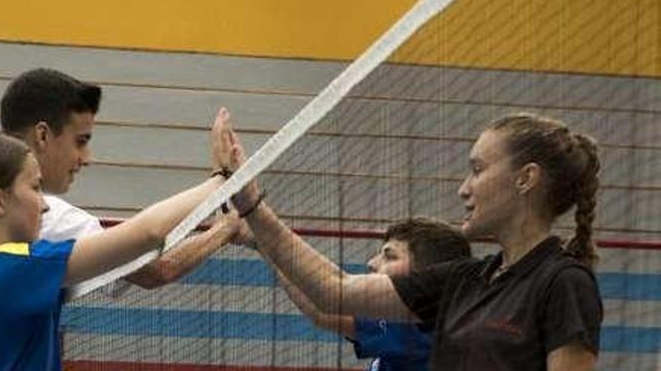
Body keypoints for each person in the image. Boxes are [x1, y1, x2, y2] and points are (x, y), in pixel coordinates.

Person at [0, 69, 242, 364]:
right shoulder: (12, 267)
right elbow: (148, 235)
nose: (42, 204)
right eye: (35, 189)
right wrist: (221, 183)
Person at [231, 113, 603, 371]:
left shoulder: (563, 283)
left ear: (526, 179)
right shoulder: (464, 280)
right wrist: (252, 208)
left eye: (478, 170)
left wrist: (253, 210)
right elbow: (333, 292)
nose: (464, 189)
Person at [266, 218, 470, 371]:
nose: (372, 263)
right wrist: (262, 244)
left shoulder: (421, 335)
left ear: (427, 276)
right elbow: (320, 311)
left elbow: (327, 304)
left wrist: (260, 231)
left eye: (389, 256)